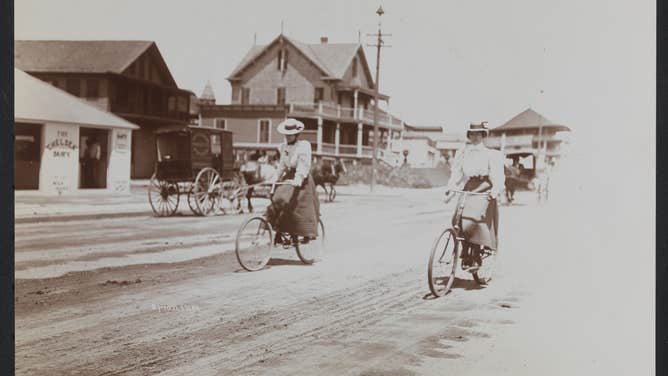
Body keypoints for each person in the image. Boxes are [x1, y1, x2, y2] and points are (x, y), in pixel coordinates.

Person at [445, 122, 504, 269]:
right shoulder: (463, 152)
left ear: (483, 135)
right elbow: (457, 173)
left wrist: (495, 190)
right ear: (469, 135)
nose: (475, 137)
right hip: (469, 186)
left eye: (479, 134)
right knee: (457, 219)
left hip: (484, 187)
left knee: (475, 219)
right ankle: (465, 253)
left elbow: (497, 175)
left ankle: (476, 254)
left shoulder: (491, 154)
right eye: (472, 134)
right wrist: (451, 188)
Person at [266, 118, 321, 241]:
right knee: (277, 198)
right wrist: (274, 178)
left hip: (302, 178)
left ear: (296, 135)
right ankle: (278, 231)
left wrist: (298, 179)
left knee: (297, 204)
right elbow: (281, 166)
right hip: (289, 176)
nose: (288, 137)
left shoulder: (303, 146)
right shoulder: (283, 147)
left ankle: (303, 232)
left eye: (290, 135)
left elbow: (303, 165)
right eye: (286, 134)